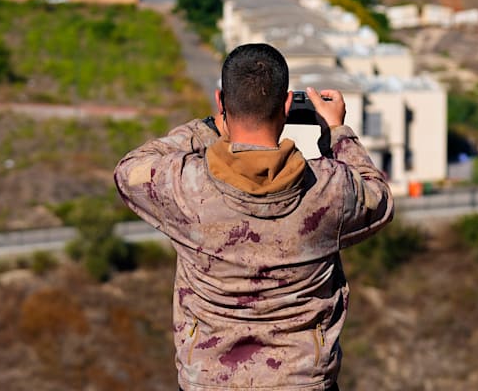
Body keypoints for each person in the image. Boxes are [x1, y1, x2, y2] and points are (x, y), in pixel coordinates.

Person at [114, 43, 394, 391]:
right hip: (302, 382)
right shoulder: (329, 191)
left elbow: (129, 170)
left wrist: (206, 129)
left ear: (221, 101)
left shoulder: (186, 187)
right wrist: (336, 131)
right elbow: (377, 196)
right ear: (288, 106)